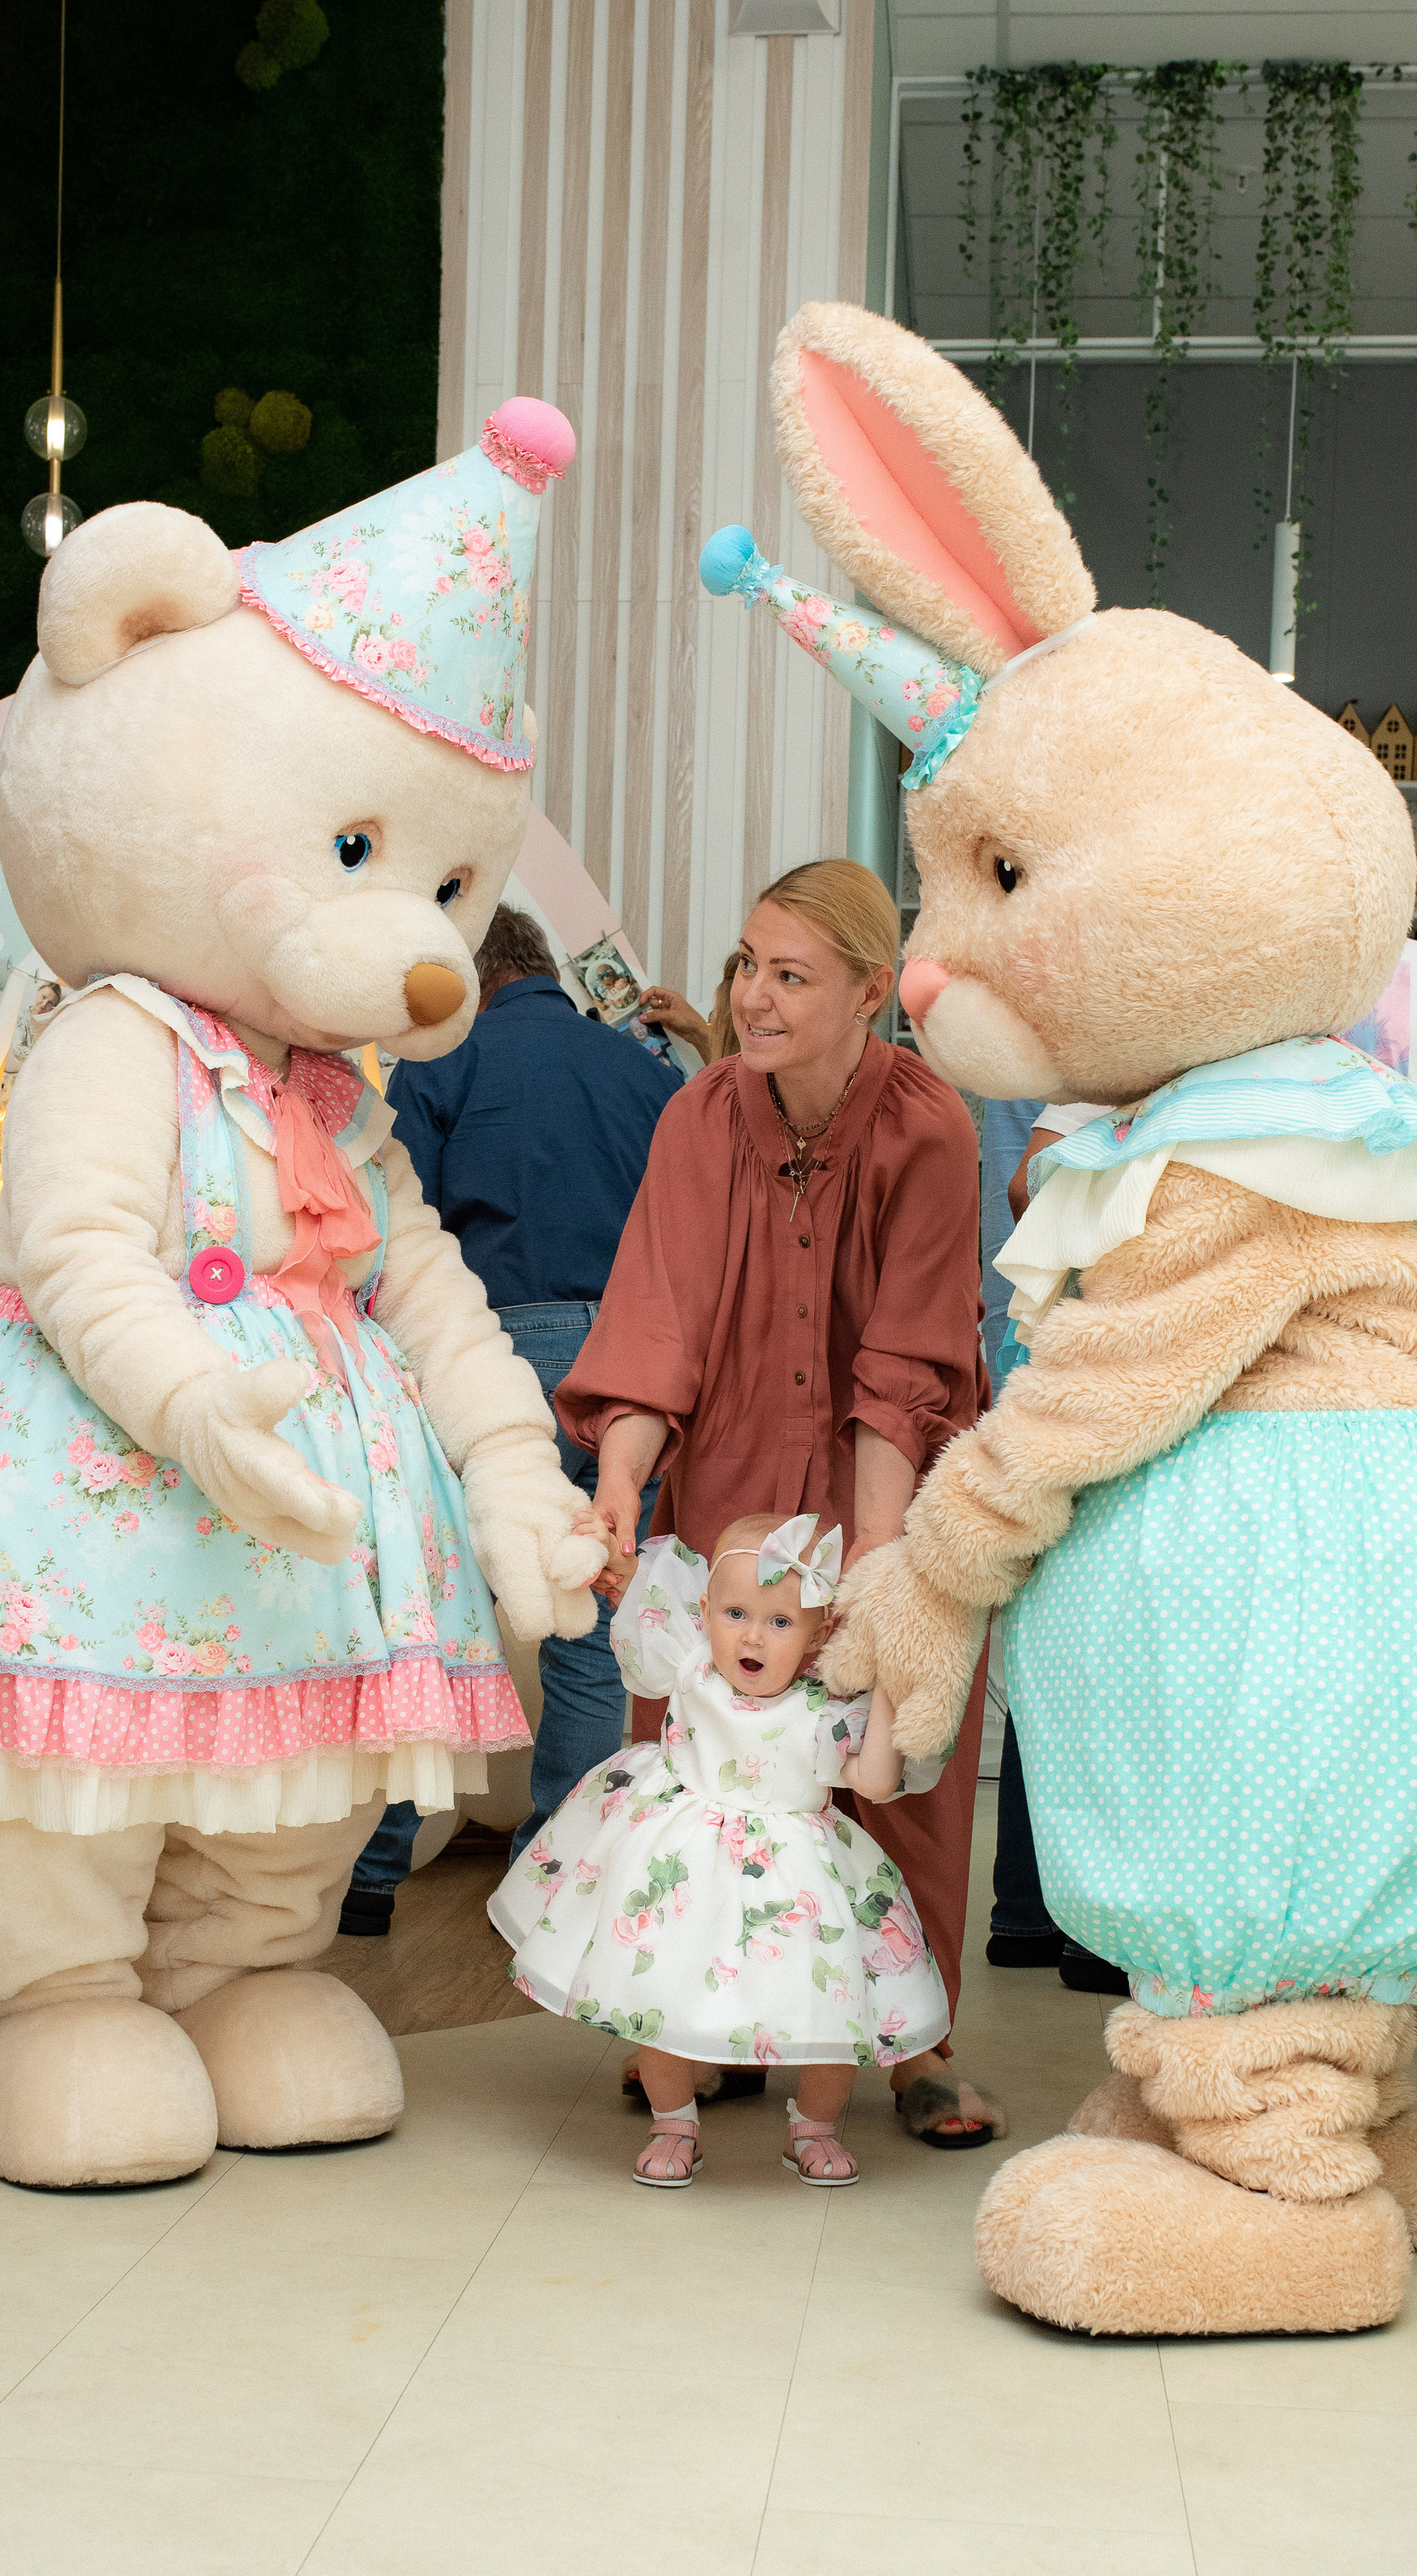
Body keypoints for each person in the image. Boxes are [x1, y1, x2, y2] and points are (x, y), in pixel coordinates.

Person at [998, 935, 1417, 2065]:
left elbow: (1037, 1184)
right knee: (1411, 1708)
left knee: (1225, 1718)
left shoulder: (1166, 974)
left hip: (1205, 1428)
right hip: (1406, 1421)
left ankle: (1219, 2030)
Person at [559, 857, 999, 2145]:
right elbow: (658, 1322)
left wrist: (875, 1568)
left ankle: (916, 2045)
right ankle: (709, 2021)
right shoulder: (698, 1118)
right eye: (748, 963)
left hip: (892, 1483)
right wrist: (622, 1482)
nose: (752, 994)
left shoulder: (931, 1127)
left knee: (894, 1753)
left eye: (790, 974)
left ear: (872, 990)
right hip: (735, 1485)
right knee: (709, 1764)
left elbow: (909, 1362)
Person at [338, 904, 683, 1932]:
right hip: (629, 1367)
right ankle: (555, 1887)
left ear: (473, 976)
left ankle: (370, 1874)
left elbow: (400, 1244)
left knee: (439, 1616)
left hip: (496, 1354)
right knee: (588, 1629)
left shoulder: (447, 1063)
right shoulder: (645, 1073)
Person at [488, 1511, 961, 2188]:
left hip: (796, 1879)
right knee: (659, 2002)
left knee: (830, 2015)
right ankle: (673, 2120)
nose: (751, 1636)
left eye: (779, 1622)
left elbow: (878, 1783)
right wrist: (597, 1539)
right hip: (681, 1867)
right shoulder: (689, 1662)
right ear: (703, 1611)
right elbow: (632, 1582)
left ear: (819, 1635)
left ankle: (815, 2126)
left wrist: (885, 1683)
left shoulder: (826, 1707)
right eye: (735, 1612)